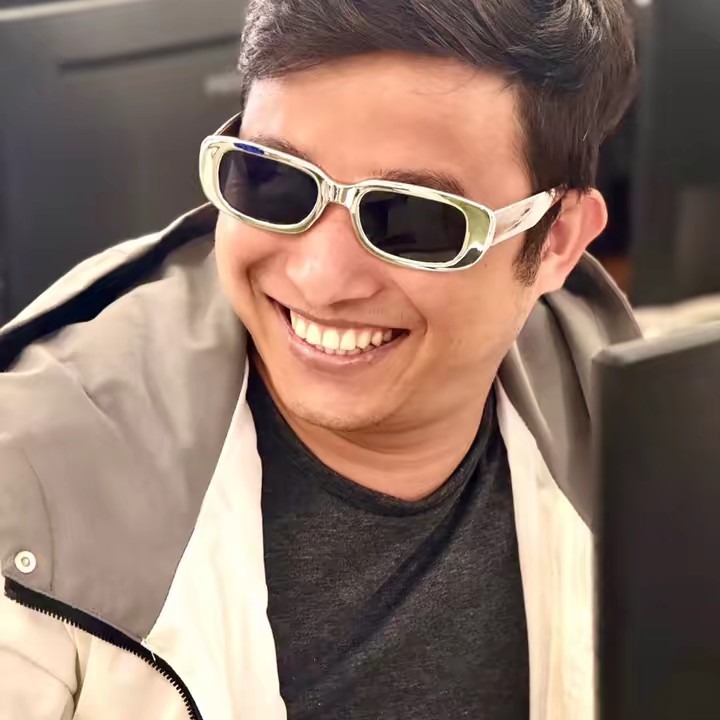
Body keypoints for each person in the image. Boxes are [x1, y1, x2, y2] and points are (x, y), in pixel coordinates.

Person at [0, 1, 639, 718]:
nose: (322, 280)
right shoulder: (29, 491)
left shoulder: (645, 429)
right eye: (275, 182)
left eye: (413, 219)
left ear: (557, 241)